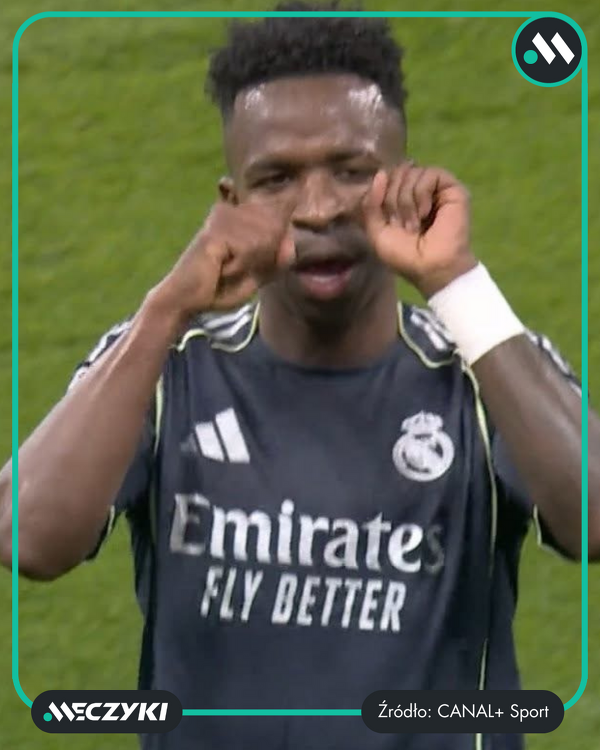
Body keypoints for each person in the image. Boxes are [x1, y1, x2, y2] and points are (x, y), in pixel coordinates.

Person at [1, 4, 598, 750]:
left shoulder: (481, 364)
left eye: (352, 171)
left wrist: (457, 283)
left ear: (403, 181)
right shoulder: (168, 364)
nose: (317, 210)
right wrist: (166, 311)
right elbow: (28, 537)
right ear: (232, 202)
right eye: (276, 178)